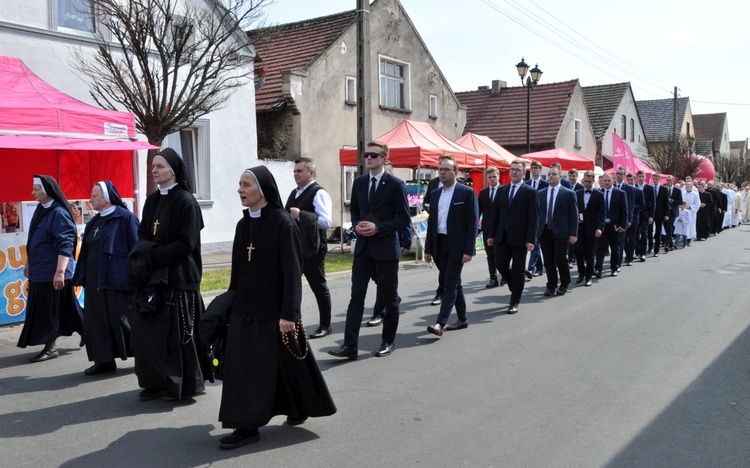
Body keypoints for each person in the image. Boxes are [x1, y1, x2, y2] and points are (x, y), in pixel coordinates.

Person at [215, 165, 336, 450]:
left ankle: (254, 424)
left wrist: (289, 314)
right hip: (244, 311)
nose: (240, 190)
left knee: (282, 364)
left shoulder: (282, 222)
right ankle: (256, 421)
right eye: (240, 184)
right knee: (252, 369)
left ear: (262, 189)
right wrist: (229, 307)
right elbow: (237, 274)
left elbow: (293, 273)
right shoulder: (243, 225)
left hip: (274, 312)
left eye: (246, 184)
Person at [129, 147, 208, 402]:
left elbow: (186, 244)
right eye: (153, 166)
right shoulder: (152, 200)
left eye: (159, 166)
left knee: (176, 336)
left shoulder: (186, 201)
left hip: (178, 278)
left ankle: (182, 385)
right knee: (149, 336)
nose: (154, 170)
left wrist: (151, 255)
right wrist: (148, 254)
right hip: (153, 278)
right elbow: (142, 234)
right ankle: (154, 381)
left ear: (173, 171)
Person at [329, 141, 410, 359]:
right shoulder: (360, 183)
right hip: (364, 248)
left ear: (384, 159)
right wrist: (356, 224)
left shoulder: (395, 184)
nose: (369, 158)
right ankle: (350, 345)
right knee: (357, 297)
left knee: (390, 297)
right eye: (366, 155)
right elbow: (355, 210)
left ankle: (387, 341)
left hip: (386, 249)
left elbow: (403, 219)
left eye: (374, 155)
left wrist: (379, 227)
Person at [73, 181, 138, 375]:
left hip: (117, 278)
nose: (90, 199)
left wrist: (135, 276)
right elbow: (86, 251)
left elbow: (137, 249)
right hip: (94, 280)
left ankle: (144, 353)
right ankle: (104, 361)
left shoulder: (125, 218)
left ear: (107, 197)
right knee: (97, 321)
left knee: (122, 320)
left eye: (95, 196)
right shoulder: (94, 221)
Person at [17, 175, 84, 362]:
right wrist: (29, 263)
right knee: (68, 306)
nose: (33, 192)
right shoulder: (41, 209)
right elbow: (33, 240)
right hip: (41, 270)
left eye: (36, 189)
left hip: (52, 271)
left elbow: (66, 244)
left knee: (49, 311)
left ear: (47, 190)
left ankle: (51, 347)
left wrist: (60, 272)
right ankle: (89, 331)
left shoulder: (58, 213)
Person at [424, 155, 478, 337]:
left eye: (447, 169)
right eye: (440, 169)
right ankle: (462, 318)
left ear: (456, 172)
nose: (442, 172)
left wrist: (469, 250)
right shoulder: (435, 193)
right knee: (455, 283)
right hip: (440, 244)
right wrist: (428, 248)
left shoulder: (466, 193)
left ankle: (440, 323)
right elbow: (432, 223)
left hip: (457, 246)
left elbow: (472, 224)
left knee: (449, 284)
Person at [284, 157, 333, 339]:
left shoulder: (318, 193)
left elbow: (326, 221)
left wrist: (301, 215)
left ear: (311, 173)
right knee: (291, 288)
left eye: (299, 171)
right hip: (294, 248)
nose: (296, 174)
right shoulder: (294, 193)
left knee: (319, 287)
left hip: (312, 250)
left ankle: (326, 325)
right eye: (294, 171)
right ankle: (293, 323)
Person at [486, 160, 539, 314]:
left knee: (518, 270)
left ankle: (514, 300)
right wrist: (491, 234)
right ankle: (514, 285)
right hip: (501, 236)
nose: (514, 172)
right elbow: (495, 214)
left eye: (517, 170)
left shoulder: (530, 192)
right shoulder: (502, 190)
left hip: (520, 238)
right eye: (512, 169)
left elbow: (533, 218)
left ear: (523, 172)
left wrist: (531, 239)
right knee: (501, 265)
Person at [366, 161, 412, 327]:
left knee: (385, 279)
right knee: (376, 277)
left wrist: (406, 242)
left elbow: (405, 220)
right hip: (372, 242)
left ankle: (379, 312)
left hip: (392, 242)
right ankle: (392, 296)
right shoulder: (371, 190)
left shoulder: (397, 189)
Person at [536, 166, 578, 296]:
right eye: (549, 174)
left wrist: (573, 233)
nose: (550, 176)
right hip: (545, 231)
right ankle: (551, 285)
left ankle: (565, 283)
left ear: (560, 176)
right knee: (548, 260)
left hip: (561, 232)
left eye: (554, 174)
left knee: (560, 258)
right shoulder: (540, 193)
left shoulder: (569, 193)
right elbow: (537, 214)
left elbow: (574, 215)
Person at [574, 171, 605, 287]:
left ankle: (588, 277)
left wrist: (600, 228)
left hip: (592, 228)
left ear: (593, 181)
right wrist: (576, 219)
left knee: (589, 253)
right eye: (585, 181)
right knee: (577, 250)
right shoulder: (576, 193)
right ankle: (581, 272)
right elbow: (573, 210)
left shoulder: (599, 195)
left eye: (589, 182)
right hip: (579, 227)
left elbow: (602, 213)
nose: (586, 183)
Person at [594, 173, 627, 278]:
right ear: (602, 181)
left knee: (615, 247)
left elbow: (624, 210)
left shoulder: (620, 193)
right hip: (602, 225)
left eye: (609, 180)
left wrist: (623, 225)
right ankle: (598, 269)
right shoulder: (599, 193)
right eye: (605, 181)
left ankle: (614, 267)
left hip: (615, 225)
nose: (607, 183)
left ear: (613, 180)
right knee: (600, 248)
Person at [478, 167, 501, 287]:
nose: (492, 179)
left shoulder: (504, 191)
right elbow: (478, 211)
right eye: (489, 177)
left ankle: (504, 274)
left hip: (501, 228)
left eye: (494, 176)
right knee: (490, 254)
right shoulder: (483, 193)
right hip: (487, 228)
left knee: (501, 254)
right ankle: (493, 277)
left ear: (499, 176)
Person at [525, 161, 548, 277]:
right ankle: (539, 267)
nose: (534, 170)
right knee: (535, 242)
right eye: (532, 168)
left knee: (535, 242)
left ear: (540, 170)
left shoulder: (545, 184)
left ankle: (530, 267)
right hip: (529, 217)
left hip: (541, 217)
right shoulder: (526, 183)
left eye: (536, 168)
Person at [623, 172, 644, 266]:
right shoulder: (624, 190)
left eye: (632, 180)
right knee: (623, 239)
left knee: (632, 238)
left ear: (634, 180)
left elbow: (642, 205)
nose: (630, 181)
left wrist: (631, 207)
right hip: (624, 218)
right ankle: (627, 254)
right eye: (629, 180)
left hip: (634, 218)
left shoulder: (638, 191)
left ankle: (630, 258)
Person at [635, 170, 655, 261]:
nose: (641, 178)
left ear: (645, 177)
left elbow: (653, 203)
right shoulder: (634, 187)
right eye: (639, 176)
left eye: (642, 176)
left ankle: (643, 253)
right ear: (637, 177)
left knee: (644, 233)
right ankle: (637, 251)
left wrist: (651, 216)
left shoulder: (650, 188)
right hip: (635, 214)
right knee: (635, 234)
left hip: (645, 214)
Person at [651, 173, 670, 257]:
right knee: (649, 231)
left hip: (660, 213)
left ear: (659, 179)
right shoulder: (650, 188)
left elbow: (666, 203)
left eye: (656, 179)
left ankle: (656, 250)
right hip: (651, 213)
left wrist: (666, 214)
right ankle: (650, 246)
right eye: (653, 179)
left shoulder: (664, 189)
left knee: (658, 231)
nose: (654, 180)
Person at [663, 175, 683, 252]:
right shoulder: (664, 189)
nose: (669, 182)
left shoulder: (677, 190)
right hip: (665, 211)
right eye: (667, 180)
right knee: (666, 228)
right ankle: (671, 245)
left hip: (672, 211)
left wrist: (672, 201)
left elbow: (680, 201)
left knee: (669, 227)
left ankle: (667, 244)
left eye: (670, 180)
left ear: (673, 181)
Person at [680, 176, 700, 246]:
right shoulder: (683, 193)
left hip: (691, 212)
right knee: (684, 224)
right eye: (686, 186)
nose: (687, 187)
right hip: (684, 211)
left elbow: (697, 204)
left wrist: (690, 207)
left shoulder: (695, 194)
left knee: (690, 225)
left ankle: (689, 239)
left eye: (689, 186)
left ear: (691, 186)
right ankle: (684, 237)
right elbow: (681, 201)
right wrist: (682, 206)